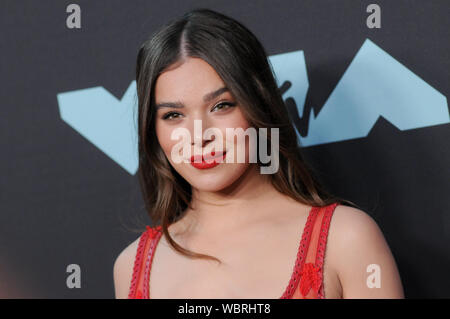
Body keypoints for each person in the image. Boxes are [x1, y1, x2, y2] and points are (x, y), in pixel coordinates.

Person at [113, 8, 404, 299]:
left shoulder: (347, 239)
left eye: (221, 105)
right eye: (174, 115)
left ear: (258, 103)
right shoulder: (131, 266)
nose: (199, 135)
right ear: (153, 130)